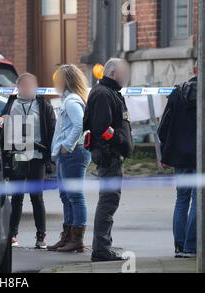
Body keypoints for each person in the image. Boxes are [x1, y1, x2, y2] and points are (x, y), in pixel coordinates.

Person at [83, 58, 134, 262]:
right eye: (123, 73)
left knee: (109, 200)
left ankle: (103, 246)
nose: (126, 77)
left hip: (112, 154)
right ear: (113, 73)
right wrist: (120, 142)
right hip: (109, 156)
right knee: (108, 201)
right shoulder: (104, 93)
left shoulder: (109, 91)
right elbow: (102, 129)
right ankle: (101, 249)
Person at [1, 73, 56, 249]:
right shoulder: (11, 104)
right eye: (23, 85)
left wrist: (49, 156)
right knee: (16, 197)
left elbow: (52, 129)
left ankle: (41, 237)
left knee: (36, 197)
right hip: (17, 155)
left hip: (37, 156)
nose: (27, 88)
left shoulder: (43, 105)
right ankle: (13, 235)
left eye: (30, 85)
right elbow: (2, 126)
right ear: (17, 87)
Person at [48, 65, 91, 253]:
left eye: (58, 79)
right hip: (66, 154)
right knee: (66, 196)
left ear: (66, 81)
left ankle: (77, 239)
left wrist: (67, 145)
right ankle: (67, 237)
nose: (55, 83)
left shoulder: (72, 101)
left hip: (73, 153)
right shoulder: (68, 100)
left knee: (74, 196)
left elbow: (79, 125)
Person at [158, 61, 198, 259]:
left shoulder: (177, 93)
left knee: (182, 199)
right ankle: (192, 247)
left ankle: (180, 246)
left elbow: (163, 127)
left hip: (180, 157)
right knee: (199, 200)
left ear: (194, 70)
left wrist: (165, 152)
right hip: (200, 158)